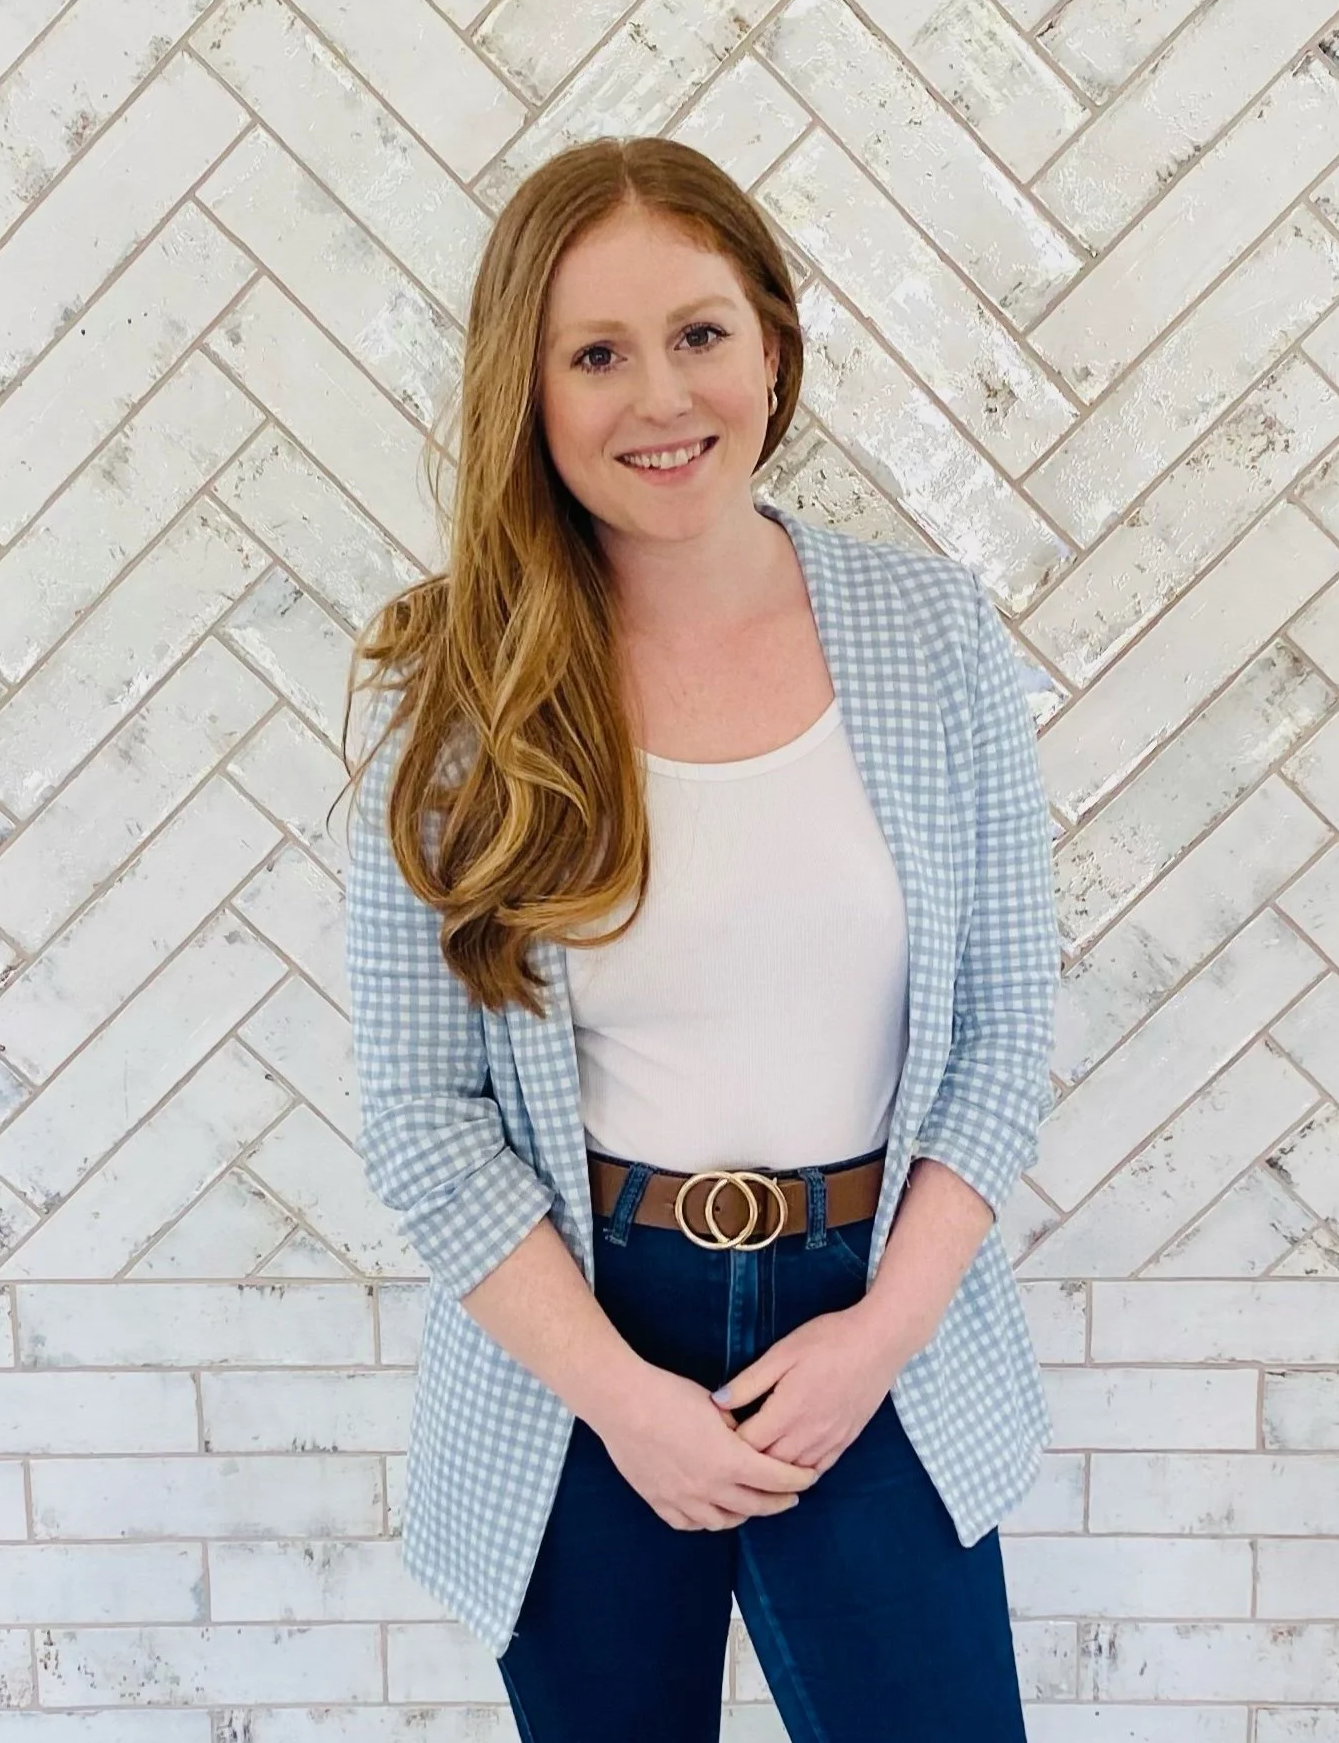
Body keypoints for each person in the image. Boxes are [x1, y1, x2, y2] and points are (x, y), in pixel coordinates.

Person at [339, 134, 1060, 1742]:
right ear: (527, 393)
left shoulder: (932, 634)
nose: (660, 396)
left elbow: (1008, 1026)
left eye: (699, 333)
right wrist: (621, 1401)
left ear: (773, 350)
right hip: (578, 1345)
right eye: (596, 355)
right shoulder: (456, 691)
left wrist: (878, 1338)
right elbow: (420, 1114)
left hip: (875, 1319)